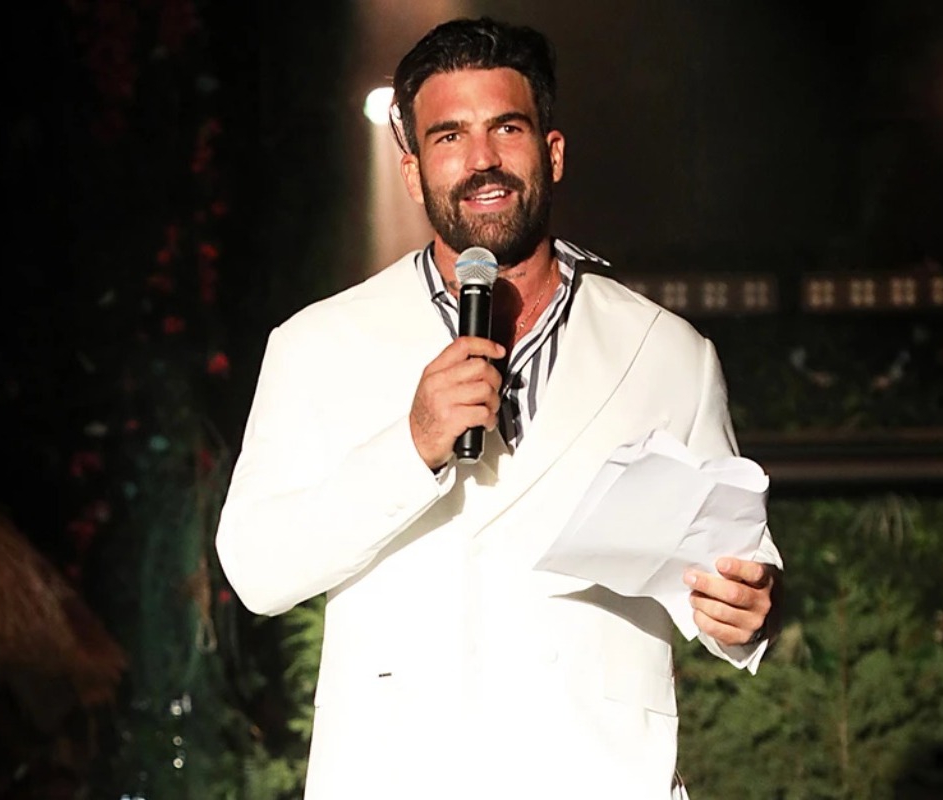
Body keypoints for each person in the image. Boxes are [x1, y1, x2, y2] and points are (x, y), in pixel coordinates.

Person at [216, 17, 781, 800]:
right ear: (412, 171)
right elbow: (257, 569)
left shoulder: (669, 353)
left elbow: (729, 567)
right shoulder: (317, 345)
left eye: (505, 129)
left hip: (601, 779)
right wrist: (411, 446)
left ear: (552, 152)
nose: (480, 159)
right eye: (449, 136)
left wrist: (746, 612)